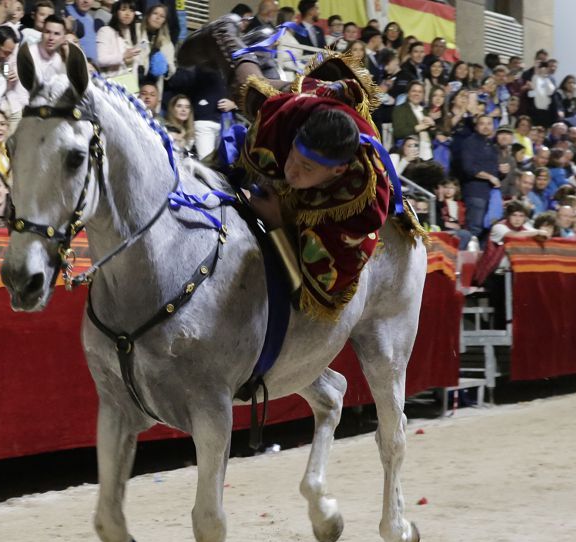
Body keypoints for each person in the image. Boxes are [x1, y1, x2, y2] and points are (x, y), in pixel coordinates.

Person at [179, 16, 419, 319]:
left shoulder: (361, 205)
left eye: (307, 168)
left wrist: (278, 223)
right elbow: (268, 125)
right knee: (252, 92)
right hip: (312, 105)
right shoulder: (291, 116)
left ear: (335, 171)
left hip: (340, 185)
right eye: (294, 158)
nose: (293, 171)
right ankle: (224, 36)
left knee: (311, 301)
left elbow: (303, 292)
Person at [458, 114, 501, 241]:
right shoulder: (470, 143)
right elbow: (468, 168)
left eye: (489, 124)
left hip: (490, 194)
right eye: (482, 123)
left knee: (488, 230)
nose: (486, 127)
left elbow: (493, 171)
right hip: (475, 193)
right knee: (475, 228)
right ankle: (468, 256)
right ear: (476, 127)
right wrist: (490, 177)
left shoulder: (492, 145)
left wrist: (502, 172)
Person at [95, 1, 146, 85]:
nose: (127, 13)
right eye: (123, 9)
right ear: (116, 12)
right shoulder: (106, 31)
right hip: (112, 85)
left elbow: (142, 48)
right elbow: (100, 60)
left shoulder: (133, 34)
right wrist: (123, 56)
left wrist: (141, 31)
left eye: (131, 10)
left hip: (131, 85)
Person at [391, 81, 434, 160]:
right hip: (410, 149)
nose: (417, 94)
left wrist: (432, 125)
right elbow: (398, 132)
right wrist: (419, 127)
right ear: (408, 93)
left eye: (420, 92)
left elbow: (432, 134)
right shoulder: (400, 109)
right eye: (414, 91)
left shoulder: (424, 111)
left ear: (423, 95)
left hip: (428, 149)